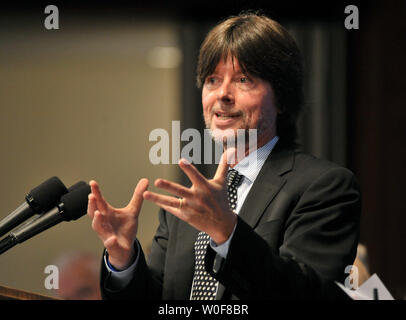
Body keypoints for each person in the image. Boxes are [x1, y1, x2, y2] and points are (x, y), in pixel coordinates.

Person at [87, 12, 361, 300]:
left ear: (281, 98)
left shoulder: (326, 186)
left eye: (243, 79)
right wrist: (123, 259)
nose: (222, 95)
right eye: (213, 80)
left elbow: (307, 295)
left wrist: (227, 232)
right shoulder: (190, 202)